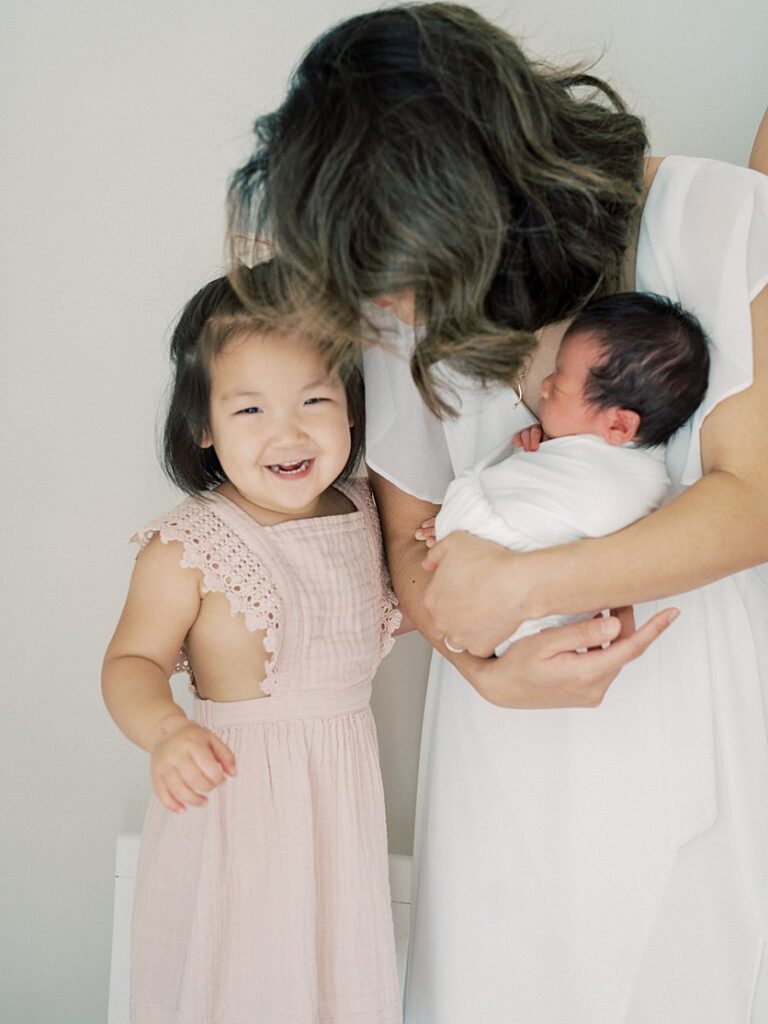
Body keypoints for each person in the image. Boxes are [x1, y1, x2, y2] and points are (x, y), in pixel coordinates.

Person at [228, 5, 768, 1021]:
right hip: (498, 747)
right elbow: (407, 539)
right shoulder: (400, 297)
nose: (399, 306)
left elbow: (754, 500)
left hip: (682, 704)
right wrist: (485, 668)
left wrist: (524, 583)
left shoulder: (719, 220)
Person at [102, 265, 403, 1024]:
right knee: (236, 979)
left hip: (338, 815)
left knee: (332, 981)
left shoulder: (367, 512)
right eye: (250, 409)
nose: (288, 431)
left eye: (314, 400)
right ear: (204, 425)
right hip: (234, 809)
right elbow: (129, 663)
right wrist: (166, 730)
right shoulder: (190, 545)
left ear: (352, 409)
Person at [421, 292, 708, 655]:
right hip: (504, 600)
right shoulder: (619, 459)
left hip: (514, 602)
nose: (544, 385)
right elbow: (537, 494)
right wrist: (537, 451)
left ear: (619, 425)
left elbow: (543, 517)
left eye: (557, 384)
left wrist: (460, 520)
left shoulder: (624, 483)